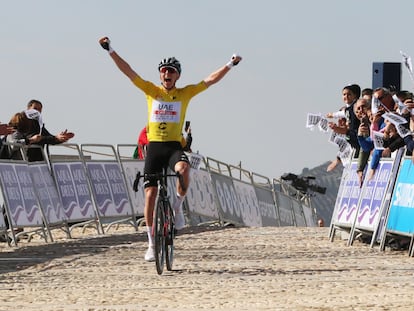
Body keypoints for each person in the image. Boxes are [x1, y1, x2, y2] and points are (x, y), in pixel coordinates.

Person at [99, 36, 242, 261]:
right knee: (150, 194)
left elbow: (210, 81)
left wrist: (230, 64)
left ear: (178, 76)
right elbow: (128, 71)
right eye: (164, 71)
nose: (167, 74)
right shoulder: (150, 90)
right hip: (154, 146)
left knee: (184, 170)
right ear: (160, 75)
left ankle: (176, 209)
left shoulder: (185, 93)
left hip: (174, 146)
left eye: (172, 71)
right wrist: (110, 50)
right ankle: (150, 245)